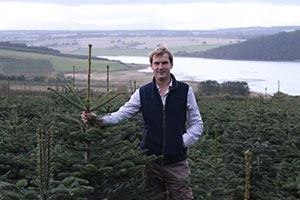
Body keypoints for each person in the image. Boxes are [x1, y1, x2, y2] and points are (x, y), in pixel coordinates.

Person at [81, 45, 204, 200]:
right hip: (150, 163)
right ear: (151, 66)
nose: (161, 67)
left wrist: (181, 141)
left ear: (171, 65)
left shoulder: (185, 91)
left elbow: (197, 124)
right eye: (157, 63)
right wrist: (98, 120)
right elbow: (123, 114)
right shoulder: (143, 92)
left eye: (164, 63)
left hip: (177, 163)